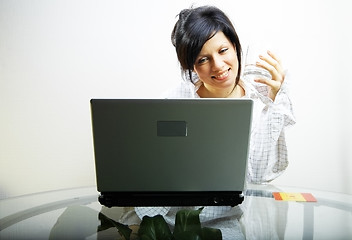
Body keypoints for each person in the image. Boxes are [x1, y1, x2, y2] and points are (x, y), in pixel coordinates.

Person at [135, 5, 296, 238]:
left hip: (233, 222)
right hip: (173, 220)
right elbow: (149, 168)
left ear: (235, 46)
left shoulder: (259, 99)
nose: (218, 66)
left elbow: (260, 174)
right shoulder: (174, 101)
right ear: (191, 66)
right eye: (203, 59)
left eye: (223, 50)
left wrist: (274, 105)